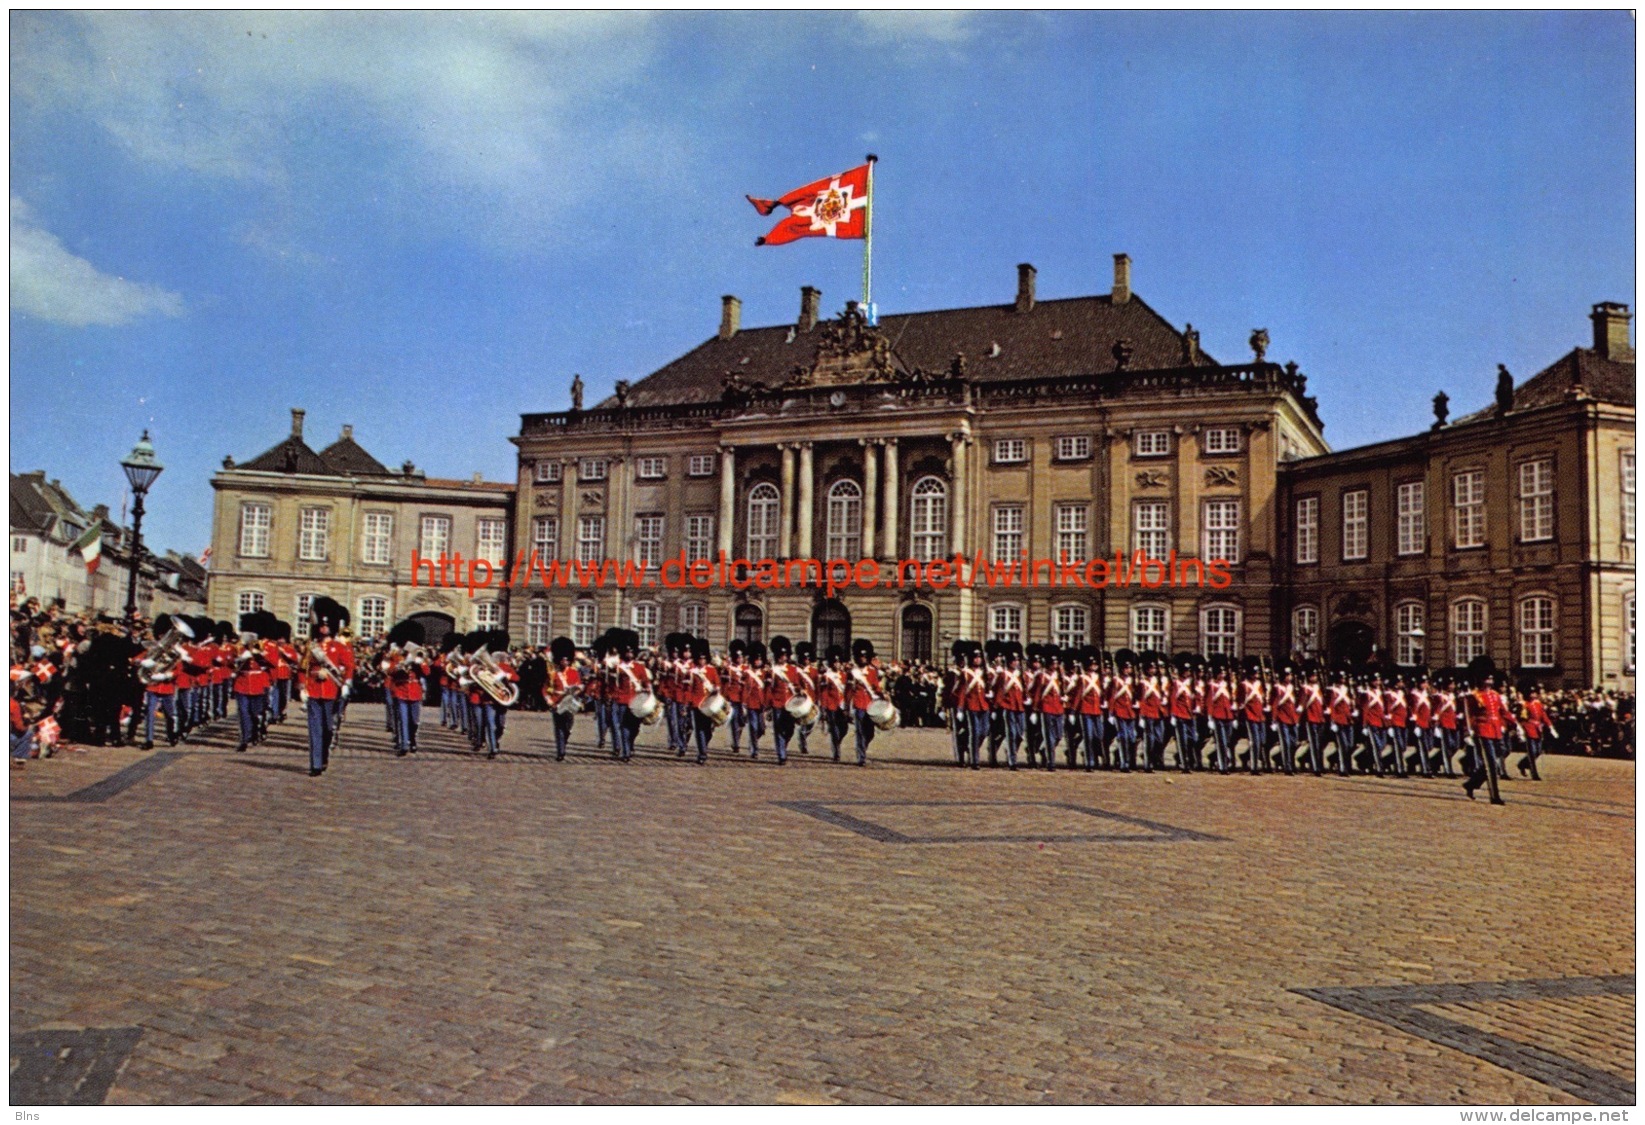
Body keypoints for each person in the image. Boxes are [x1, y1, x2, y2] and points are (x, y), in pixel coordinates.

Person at [301, 598, 355, 777]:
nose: (323, 628)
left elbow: (348, 667)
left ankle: (323, 755)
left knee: (328, 728)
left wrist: (346, 684)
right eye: (321, 625)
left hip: (332, 690)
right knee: (314, 728)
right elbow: (304, 668)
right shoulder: (311, 647)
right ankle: (315, 764)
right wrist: (303, 687)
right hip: (314, 689)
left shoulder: (339, 647)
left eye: (327, 625)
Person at [1463, 674, 1509, 800]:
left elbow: (1503, 711)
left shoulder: (1495, 695)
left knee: (1498, 758)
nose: (1490, 681)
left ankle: (1471, 784)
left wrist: (1515, 724)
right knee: (1491, 764)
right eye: (1487, 678)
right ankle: (1495, 796)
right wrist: (1468, 731)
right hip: (1482, 730)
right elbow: (1469, 715)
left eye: (1491, 679)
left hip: (1496, 730)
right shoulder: (1474, 695)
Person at [545, 636, 580, 761]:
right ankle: (561, 751)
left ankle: (564, 741)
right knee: (558, 726)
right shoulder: (553, 673)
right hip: (556, 701)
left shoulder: (574, 672)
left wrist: (577, 690)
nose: (565, 662)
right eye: (563, 660)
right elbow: (545, 688)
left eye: (567, 660)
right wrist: (549, 700)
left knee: (568, 726)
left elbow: (578, 686)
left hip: (569, 701)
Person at [991, 643, 1026, 770]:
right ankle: (1012, 761)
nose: (1016, 663)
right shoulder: (1004, 674)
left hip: (1020, 706)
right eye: (1014, 660)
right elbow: (1000, 691)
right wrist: (995, 707)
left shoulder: (1020, 674)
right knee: (1011, 733)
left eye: (1017, 660)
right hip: (1008, 706)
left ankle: (1010, 751)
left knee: (1020, 734)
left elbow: (1023, 690)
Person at [847, 638, 881, 766]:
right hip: (858, 704)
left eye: (865, 656)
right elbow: (848, 691)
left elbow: (876, 687)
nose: (863, 658)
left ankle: (862, 747)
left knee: (870, 732)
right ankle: (861, 757)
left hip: (870, 705)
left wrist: (882, 695)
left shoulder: (872, 672)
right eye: (860, 656)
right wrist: (846, 707)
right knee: (860, 731)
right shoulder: (852, 673)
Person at [819, 646, 849, 761]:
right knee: (835, 729)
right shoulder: (826, 676)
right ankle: (836, 752)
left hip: (841, 706)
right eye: (835, 662)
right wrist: (823, 707)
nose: (837, 664)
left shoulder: (844, 676)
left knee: (844, 729)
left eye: (838, 662)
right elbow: (824, 693)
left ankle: (836, 743)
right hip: (831, 705)